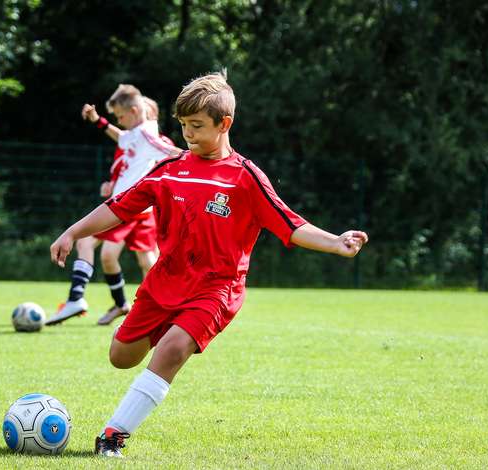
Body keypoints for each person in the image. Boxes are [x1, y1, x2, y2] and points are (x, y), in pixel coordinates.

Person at [49, 72, 368, 458]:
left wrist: (336, 242)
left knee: (172, 350)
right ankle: (163, 331)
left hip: (216, 287)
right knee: (121, 356)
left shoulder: (244, 177)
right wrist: (73, 231)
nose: (188, 134)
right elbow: (118, 207)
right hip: (165, 281)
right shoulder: (169, 169)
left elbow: (290, 224)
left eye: (197, 126)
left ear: (224, 124)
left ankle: (113, 437)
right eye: (183, 125)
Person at [47, 85, 180, 327]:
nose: (120, 121)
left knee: (87, 242)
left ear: (136, 110)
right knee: (132, 259)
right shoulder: (137, 134)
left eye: (120, 116)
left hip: (128, 205)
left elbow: (170, 152)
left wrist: (200, 160)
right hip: (134, 205)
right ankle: (152, 307)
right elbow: (122, 140)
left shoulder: (148, 135)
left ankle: (77, 299)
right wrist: (99, 121)